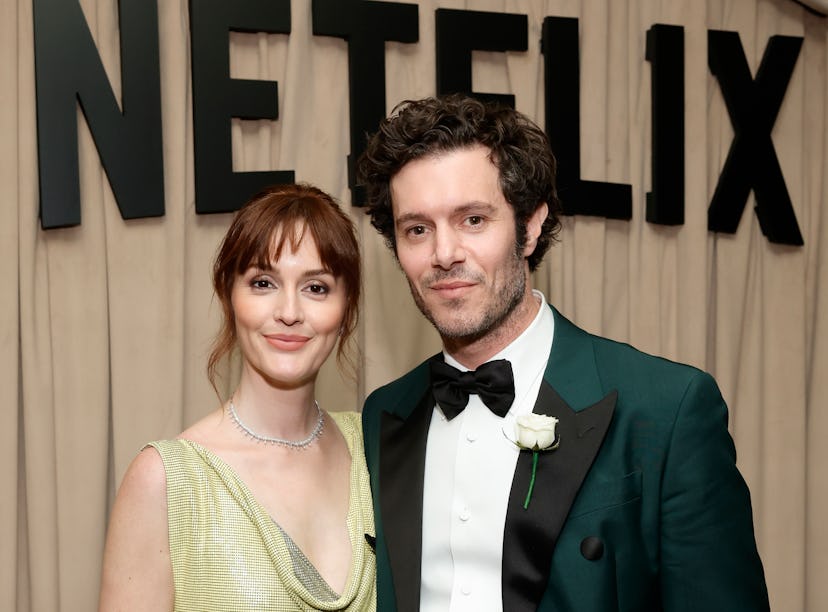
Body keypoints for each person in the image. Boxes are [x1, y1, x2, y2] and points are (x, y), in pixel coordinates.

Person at [357, 94, 769, 612]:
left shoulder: (667, 408)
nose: (443, 254)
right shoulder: (383, 415)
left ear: (529, 227)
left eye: (473, 220)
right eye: (417, 229)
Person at [98, 184, 376, 611]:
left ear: (347, 310)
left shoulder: (374, 447)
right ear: (230, 296)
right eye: (263, 283)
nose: (288, 311)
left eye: (316, 287)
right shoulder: (166, 481)